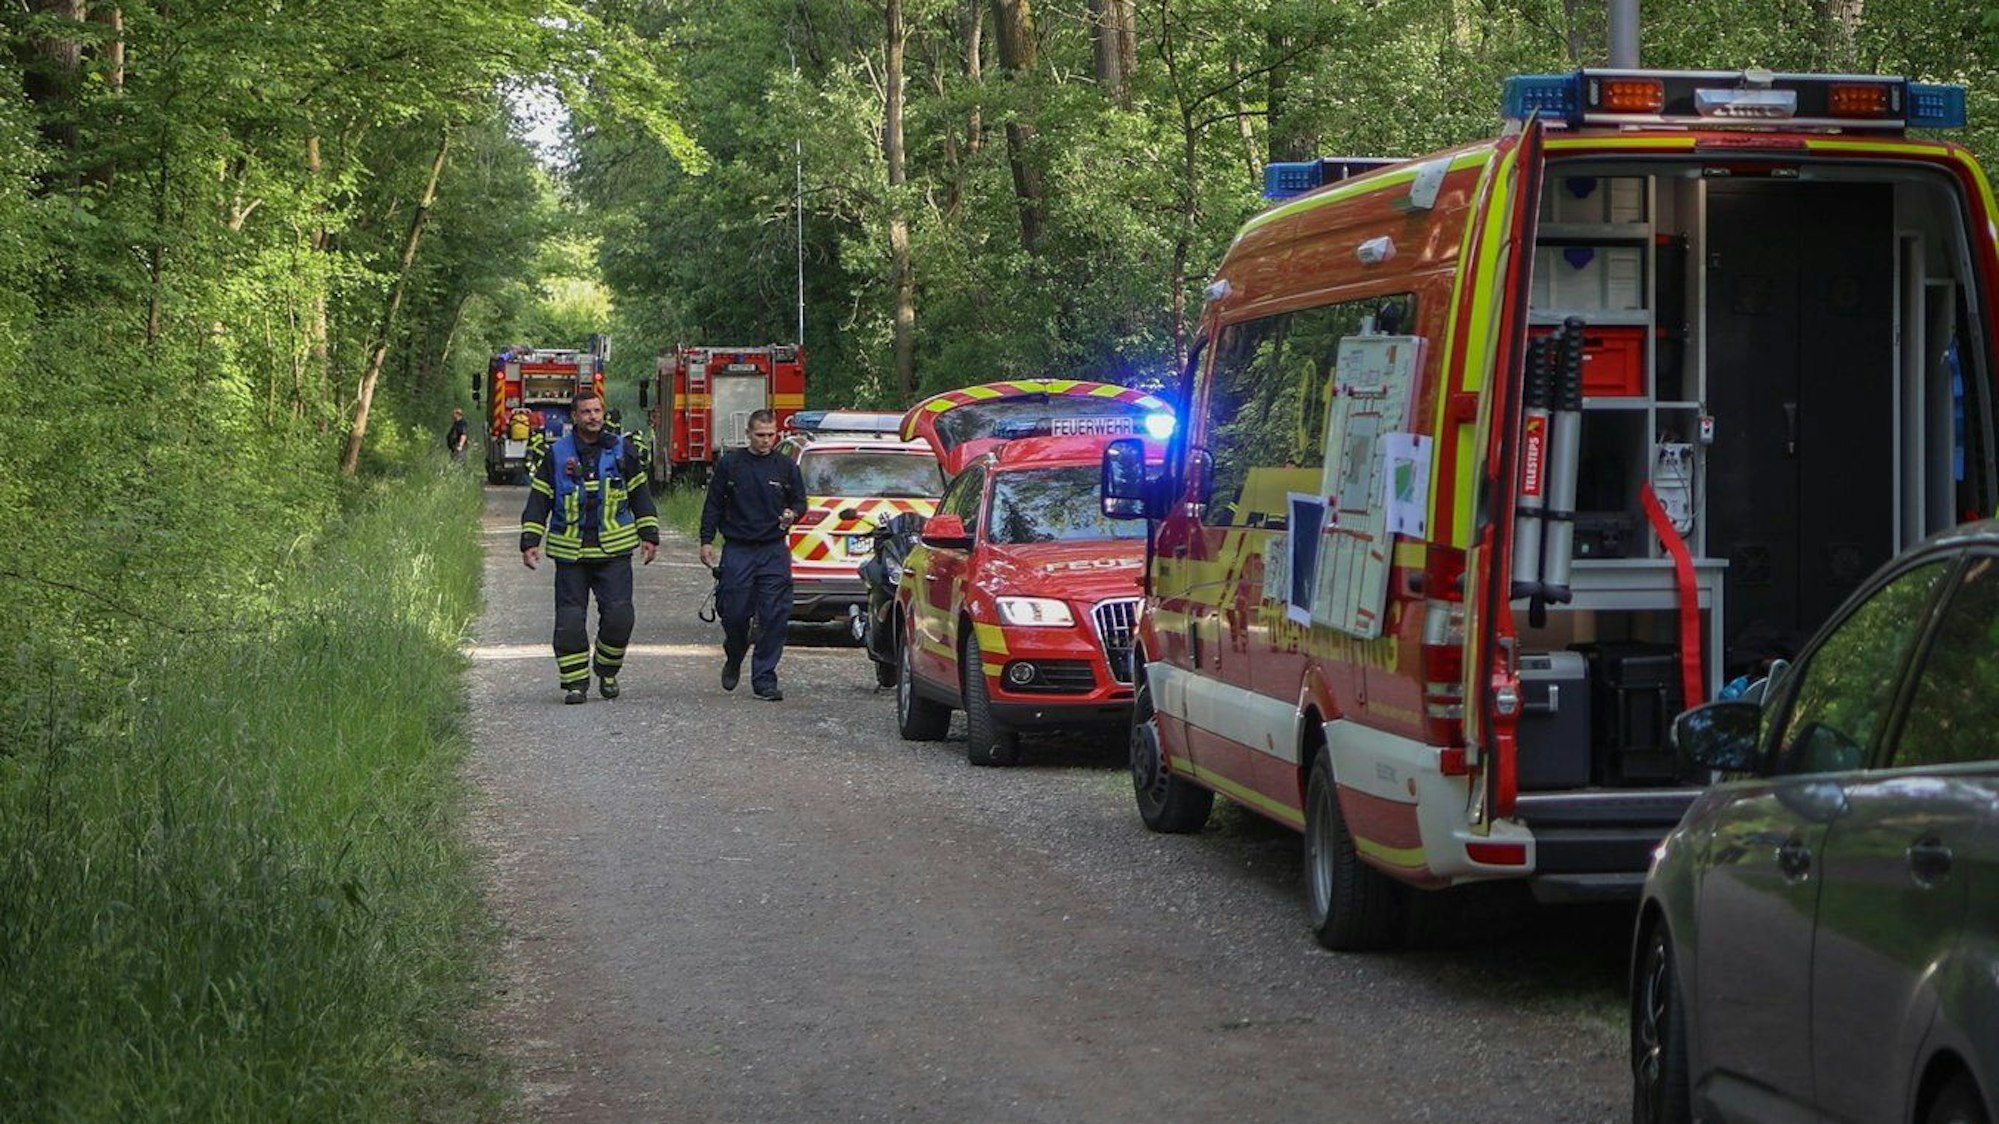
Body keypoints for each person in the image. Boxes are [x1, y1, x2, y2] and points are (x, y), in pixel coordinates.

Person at [520, 390, 660, 704]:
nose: (593, 417)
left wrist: (649, 534)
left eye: (597, 410)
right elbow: (540, 498)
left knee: (620, 618)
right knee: (569, 622)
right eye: (586, 412)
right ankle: (575, 684)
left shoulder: (622, 450)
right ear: (575, 416)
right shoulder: (556, 454)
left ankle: (607, 670)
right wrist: (530, 540)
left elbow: (640, 494)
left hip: (614, 551)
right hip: (571, 553)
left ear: (604, 413)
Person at [700, 409, 806, 701]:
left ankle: (764, 679)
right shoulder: (731, 465)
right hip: (738, 549)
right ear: (748, 433)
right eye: (760, 435)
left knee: (774, 616)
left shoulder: (785, 467)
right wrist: (706, 540)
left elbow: (800, 501)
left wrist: (792, 513)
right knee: (733, 612)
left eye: (771, 435)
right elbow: (713, 505)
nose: (766, 440)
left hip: (773, 549)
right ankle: (734, 654)